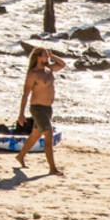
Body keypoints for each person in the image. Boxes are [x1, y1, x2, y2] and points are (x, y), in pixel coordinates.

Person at [15, 47, 68, 175]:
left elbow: (62, 65)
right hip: (37, 108)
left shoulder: (48, 70)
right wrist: (21, 114)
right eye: (45, 55)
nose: (47, 58)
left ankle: (20, 156)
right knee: (48, 135)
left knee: (35, 135)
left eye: (47, 55)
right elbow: (25, 94)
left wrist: (52, 56)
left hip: (47, 109)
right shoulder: (33, 74)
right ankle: (52, 168)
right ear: (38, 57)